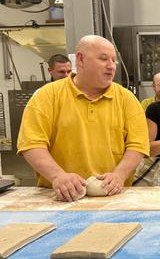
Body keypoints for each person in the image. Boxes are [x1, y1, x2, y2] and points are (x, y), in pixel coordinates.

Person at [17, 35, 150, 202]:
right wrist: (58, 176)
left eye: (113, 60)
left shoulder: (126, 99)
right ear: (80, 59)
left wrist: (119, 175)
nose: (111, 66)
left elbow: (138, 145)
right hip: (59, 198)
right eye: (103, 59)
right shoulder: (47, 96)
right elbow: (32, 144)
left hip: (113, 197)